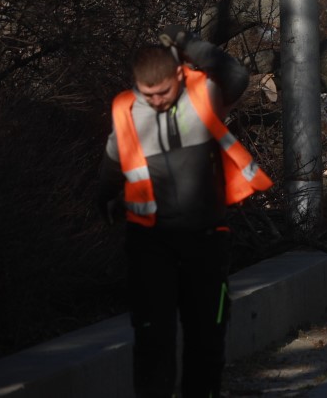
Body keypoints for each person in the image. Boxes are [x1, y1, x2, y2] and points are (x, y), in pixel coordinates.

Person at [98, 27, 270, 398]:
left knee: (206, 339)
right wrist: (103, 199)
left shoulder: (202, 93)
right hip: (150, 243)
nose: (156, 101)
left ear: (178, 75)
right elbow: (112, 164)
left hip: (205, 239)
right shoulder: (126, 110)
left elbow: (236, 75)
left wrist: (186, 42)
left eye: (163, 92)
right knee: (152, 339)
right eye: (148, 94)